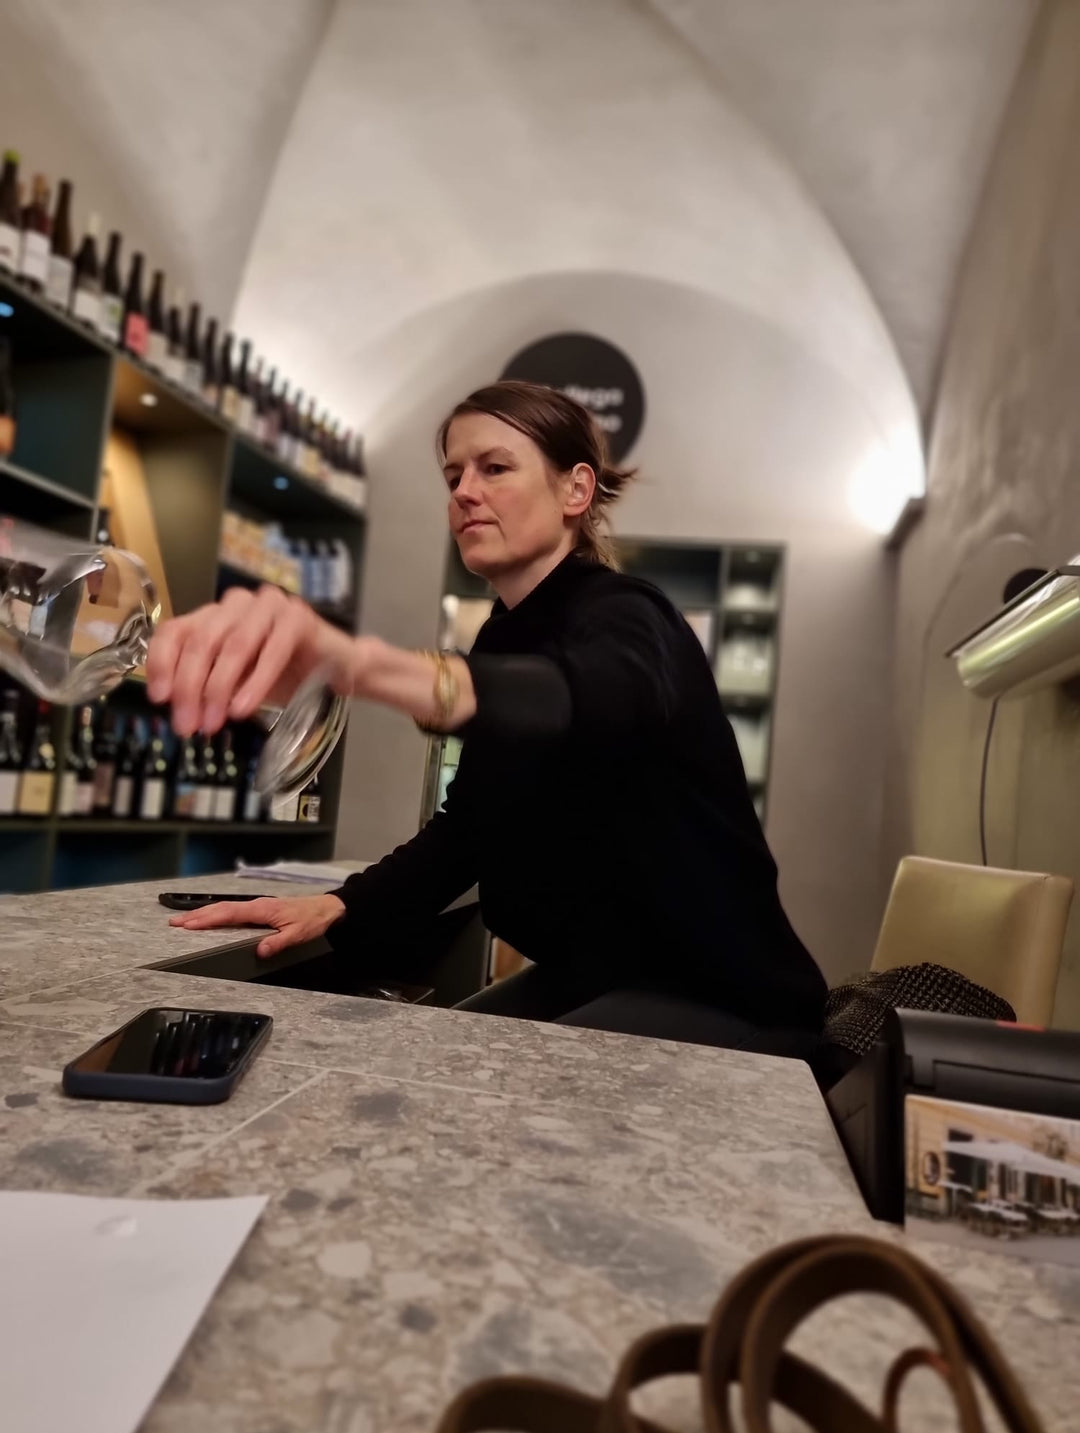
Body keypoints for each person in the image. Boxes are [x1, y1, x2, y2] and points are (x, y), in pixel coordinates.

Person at [149, 380, 827, 1061]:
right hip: (596, 975)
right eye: (454, 476)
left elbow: (579, 697)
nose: (465, 492)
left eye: (495, 468)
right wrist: (345, 904)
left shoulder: (630, 614)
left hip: (723, 994)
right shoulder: (504, 635)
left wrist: (353, 662)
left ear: (576, 490)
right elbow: (470, 826)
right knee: (413, 1059)